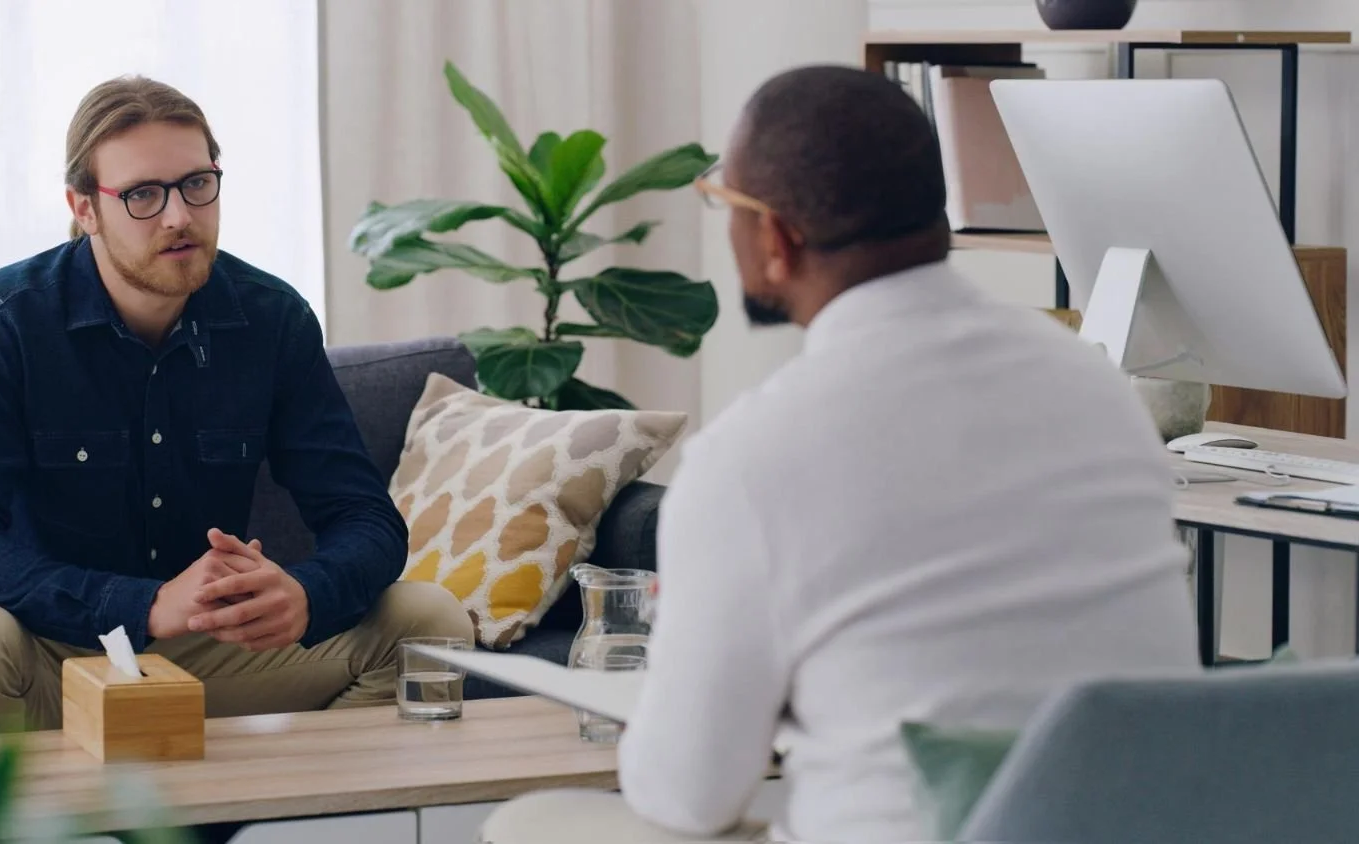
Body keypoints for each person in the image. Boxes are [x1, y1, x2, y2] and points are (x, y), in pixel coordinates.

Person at [480, 65, 1199, 842]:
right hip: (1134, 825)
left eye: (724, 203)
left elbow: (689, 796)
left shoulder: (751, 460)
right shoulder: (1095, 387)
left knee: (535, 823)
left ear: (777, 238)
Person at [0, 75, 472, 739]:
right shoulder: (8, 318)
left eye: (196, 184)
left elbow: (364, 517)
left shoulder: (272, 319)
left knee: (430, 621)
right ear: (85, 208)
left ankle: (278, 820)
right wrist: (145, 604)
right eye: (143, 194)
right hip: (56, 652)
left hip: (216, 653)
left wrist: (307, 593)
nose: (178, 216)